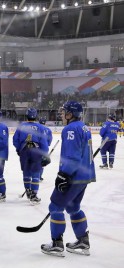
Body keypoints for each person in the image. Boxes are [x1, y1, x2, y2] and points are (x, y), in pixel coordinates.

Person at [41, 101, 96, 257]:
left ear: (71, 114)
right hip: (84, 176)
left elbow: (72, 156)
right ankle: (83, 241)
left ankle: (57, 243)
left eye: (64, 111)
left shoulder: (70, 129)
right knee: (73, 208)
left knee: (55, 208)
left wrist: (64, 174)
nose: (62, 114)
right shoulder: (84, 127)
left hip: (73, 175)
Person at [13, 108, 49, 204]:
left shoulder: (21, 126)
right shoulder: (40, 127)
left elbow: (15, 140)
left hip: (24, 150)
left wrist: (19, 149)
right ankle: (34, 194)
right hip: (36, 150)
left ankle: (28, 191)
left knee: (26, 171)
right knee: (36, 173)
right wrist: (45, 154)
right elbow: (44, 142)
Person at [38, 116, 53, 181]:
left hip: (37, 147)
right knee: (42, 162)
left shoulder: (37, 128)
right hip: (44, 148)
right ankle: (39, 176)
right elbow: (50, 139)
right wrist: (47, 145)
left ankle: (34, 175)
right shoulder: (48, 130)